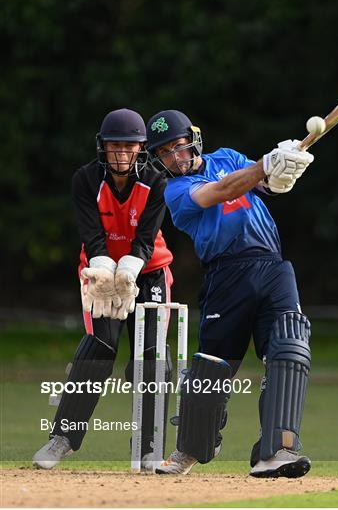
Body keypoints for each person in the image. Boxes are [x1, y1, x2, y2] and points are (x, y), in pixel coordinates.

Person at [144, 110, 314, 478]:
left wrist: (283, 171)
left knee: (290, 347)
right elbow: (222, 191)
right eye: (165, 154)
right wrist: (265, 165)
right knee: (213, 367)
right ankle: (192, 446)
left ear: (194, 139)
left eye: (179, 146)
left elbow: (265, 186)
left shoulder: (228, 157)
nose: (175, 157)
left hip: (272, 265)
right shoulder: (174, 191)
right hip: (226, 274)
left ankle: (277, 450)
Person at [32, 108, 173, 471]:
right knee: (99, 348)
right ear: (103, 147)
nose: (121, 155)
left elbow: (146, 237)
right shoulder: (84, 179)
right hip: (99, 273)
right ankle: (61, 438)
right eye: (114, 146)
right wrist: (105, 269)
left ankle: (149, 444)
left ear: (141, 149)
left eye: (129, 147)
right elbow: (91, 232)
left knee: (153, 356)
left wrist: (130, 268)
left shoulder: (156, 180)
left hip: (149, 271)